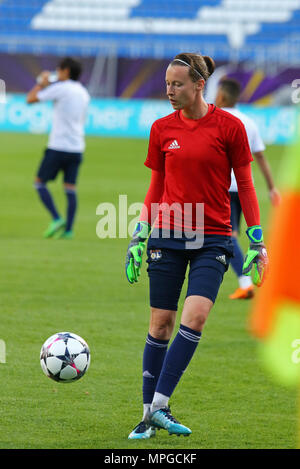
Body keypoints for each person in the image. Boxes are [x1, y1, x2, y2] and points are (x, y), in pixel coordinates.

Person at [125, 53, 268, 439]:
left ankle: (158, 405)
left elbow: (246, 183)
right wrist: (140, 234)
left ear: (199, 85)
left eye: (178, 85)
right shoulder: (161, 129)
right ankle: (148, 414)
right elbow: (156, 186)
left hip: (214, 237)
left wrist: (256, 239)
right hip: (168, 235)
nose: (170, 91)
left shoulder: (230, 127)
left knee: (196, 316)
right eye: (167, 84)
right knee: (161, 323)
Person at [215, 78, 280, 299]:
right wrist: (272, 188)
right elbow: (261, 157)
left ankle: (245, 283)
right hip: (244, 187)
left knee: (227, 236)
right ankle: (259, 255)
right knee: (230, 234)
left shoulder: (214, 120)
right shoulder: (249, 123)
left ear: (221, 96)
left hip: (223, 188)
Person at [27, 57, 90, 239]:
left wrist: (41, 83)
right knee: (70, 188)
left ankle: (56, 218)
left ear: (66, 71)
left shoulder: (60, 88)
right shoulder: (84, 93)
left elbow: (31, 99)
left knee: (39, 183)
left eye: (59, 70)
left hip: (58, 146)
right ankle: (69, 230)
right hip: (77, 147)